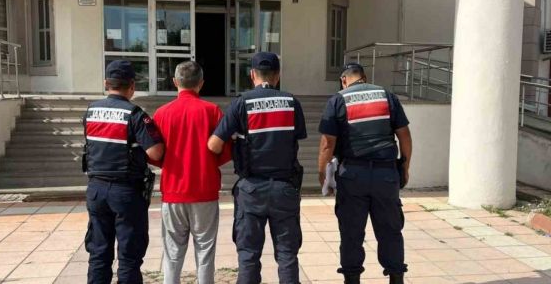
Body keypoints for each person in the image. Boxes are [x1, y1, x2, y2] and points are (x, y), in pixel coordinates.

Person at [207, 52, 307, 284]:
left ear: (252, 74)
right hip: (285, 188)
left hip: (251, 189)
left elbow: (213, 145)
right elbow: (296, 138)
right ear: (277, 75)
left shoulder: (241, 103)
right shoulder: (292, 103)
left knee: (249, 256)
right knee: (287, 255)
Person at [317, 62, 413, 284]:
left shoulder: (338, 100)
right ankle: (396, 278)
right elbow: (405, 135)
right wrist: (405, 167)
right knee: (390, 231)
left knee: (351, 233)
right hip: (386, 174)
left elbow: (327, 143)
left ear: (343, 80)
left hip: (352, 176)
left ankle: (352, 279)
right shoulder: (387, 96)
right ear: (364, 77)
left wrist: (323, 174)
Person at [83, 60, 165, 284]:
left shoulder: (91, 111)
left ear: (106, 83)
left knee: (98, 253)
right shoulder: (135, 114)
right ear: (132, 86)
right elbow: (156, 152)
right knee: (129, 256)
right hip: (125, 192)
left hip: (96, 189)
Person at [152, 61, 232, 284]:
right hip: (205, 190)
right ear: (201, 83)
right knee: (205, 251)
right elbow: (224, 151)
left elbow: (155, 154)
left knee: (172, 253)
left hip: (173, 190)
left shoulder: (162, 113)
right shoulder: (212, 111)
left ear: (175, 82)